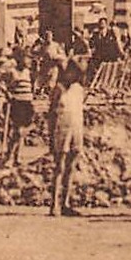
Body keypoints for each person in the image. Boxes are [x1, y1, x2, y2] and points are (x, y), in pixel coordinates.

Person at [48, 58, 88, 217]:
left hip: (76, 127)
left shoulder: (79, 89)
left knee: (71, 165)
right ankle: (54, 204)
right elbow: (51, 113)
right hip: (61, 127)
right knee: (60, 166)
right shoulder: (58, 89)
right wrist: (50, 134)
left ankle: (65, 202)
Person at [0, 51, 36, 168]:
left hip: (27, 103)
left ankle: (16, 157)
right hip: (17, 103)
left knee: (22, 132)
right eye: (27, 58)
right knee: (18, 131)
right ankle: (10, 156)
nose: (30, 61)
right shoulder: (12, 71)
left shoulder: (27, 72)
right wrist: (6, 93)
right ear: (20, 59)